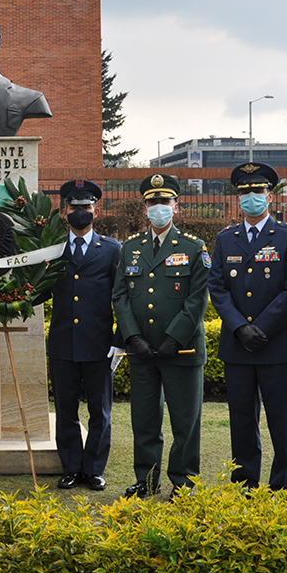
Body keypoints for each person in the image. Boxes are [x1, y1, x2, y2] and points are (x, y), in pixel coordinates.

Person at [207, 163, 287, 493]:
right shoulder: (226, 239)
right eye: (245, 192)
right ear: (238, 197)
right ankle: (245, 483)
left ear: (270, 195)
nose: (252, 197)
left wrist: (260, 327)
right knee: (242, 422)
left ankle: (283, 487)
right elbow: (218, 288)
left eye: (258, 191)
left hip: (277, 345)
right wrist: (239, 327)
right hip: (238, 346)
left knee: (283, 423)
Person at [113, 174, 209, 498]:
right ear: (145, 208)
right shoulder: (130, 248)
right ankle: (146, 479)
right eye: (152, 202)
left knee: (185, 422)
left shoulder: (193, 248)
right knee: (144, 420)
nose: (158, 208)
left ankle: (183, 483)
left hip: (180, 351)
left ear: (176, 206)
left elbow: (198, 299)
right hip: (142, 352)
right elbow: (120, 296)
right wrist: (132, 337)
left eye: (164, 202)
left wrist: (175, 337)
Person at [43, 179, 122, 492]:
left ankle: (94, 469)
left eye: (85, 207)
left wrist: (119, 341)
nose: (80, 212)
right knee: (65, 410)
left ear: (96, 211)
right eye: (74, 207)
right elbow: (37, 291)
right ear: (65, 212)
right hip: (63, 344)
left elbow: (122, 299)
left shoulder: (112, 250)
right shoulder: (53, 250)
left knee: (99, 412)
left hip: (99, 345)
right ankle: (72, 468)